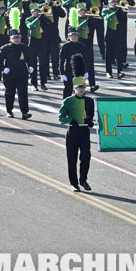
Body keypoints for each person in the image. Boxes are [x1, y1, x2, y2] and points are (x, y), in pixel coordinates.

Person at [58, 54, 95, 193]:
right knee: (72, 159)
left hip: (84, 132)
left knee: (86, 156)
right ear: (74, 88)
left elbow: (90, 114)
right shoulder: (68, 101)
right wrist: (70, 121)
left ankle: (83, 179)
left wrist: (90, 121)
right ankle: (74, 183)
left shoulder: (90, 101)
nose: (81, 90)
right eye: (79, 87)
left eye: (83, 87)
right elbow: (61, 116)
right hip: (73, 131)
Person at [0, 27, 32, 119]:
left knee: (23, 93)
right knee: (10, 93)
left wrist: (31, 66)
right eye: (15, 38)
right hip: (10, 75)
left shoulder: (24, 47)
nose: (17, 39)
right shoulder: (5, 48)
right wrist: (3, 69)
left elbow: (30, 59)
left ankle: (25, 112)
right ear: (11, 39)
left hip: (22, 74)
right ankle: (9, 111)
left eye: (18, 37)